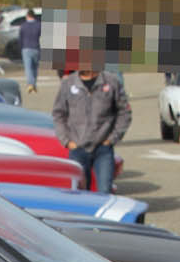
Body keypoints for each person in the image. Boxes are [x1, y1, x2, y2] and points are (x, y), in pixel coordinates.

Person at [52, 61, 131, 194]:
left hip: (103, 149)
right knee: (80, 195)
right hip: (77, 149)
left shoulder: (111, 82)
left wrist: (112, 138)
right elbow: (59, 114)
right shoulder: (68, 84)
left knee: (105, 192)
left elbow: (124, 112)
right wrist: (66, 141)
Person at [16, 9, 42, 92]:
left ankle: (30, 84)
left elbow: (20, 38)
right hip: (36, 47)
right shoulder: (39, 25)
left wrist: (20, 47)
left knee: (28, 68)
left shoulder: (23, 25)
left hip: (26, 48)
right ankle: (33, 84)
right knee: (35, 68)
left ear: (27, 16)